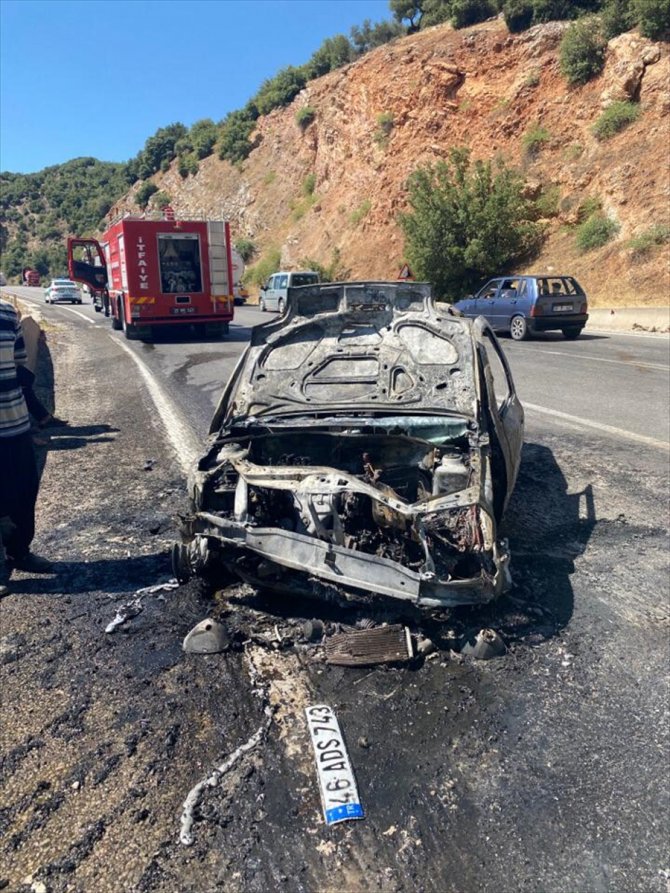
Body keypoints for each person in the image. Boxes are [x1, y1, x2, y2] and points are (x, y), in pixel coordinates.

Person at [0, 298, 54, 596]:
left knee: (24, 493)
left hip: (16, 424)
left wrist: (32, 420)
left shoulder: (6, 313)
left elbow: (21, 366)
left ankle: (19, 553)